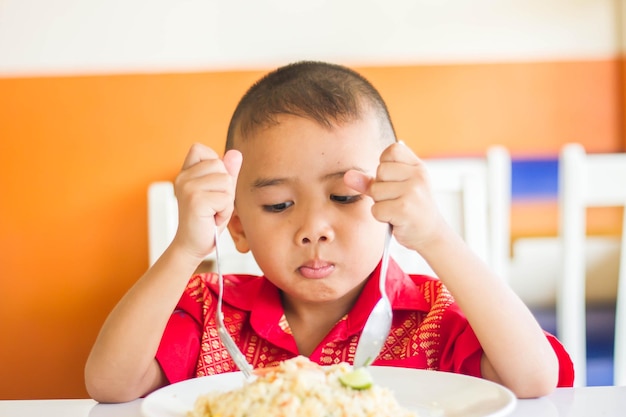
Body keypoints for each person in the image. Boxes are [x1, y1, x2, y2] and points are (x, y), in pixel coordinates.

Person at [84, 61, 574, 403]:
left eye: (343, 197)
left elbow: (533, 380)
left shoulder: (431, 317)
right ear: (237, 224)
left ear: (386, 202)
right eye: (278, 205)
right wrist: (186, 248)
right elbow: (111, 385)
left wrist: (436, 237)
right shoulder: (209, 312)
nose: (313, 229)